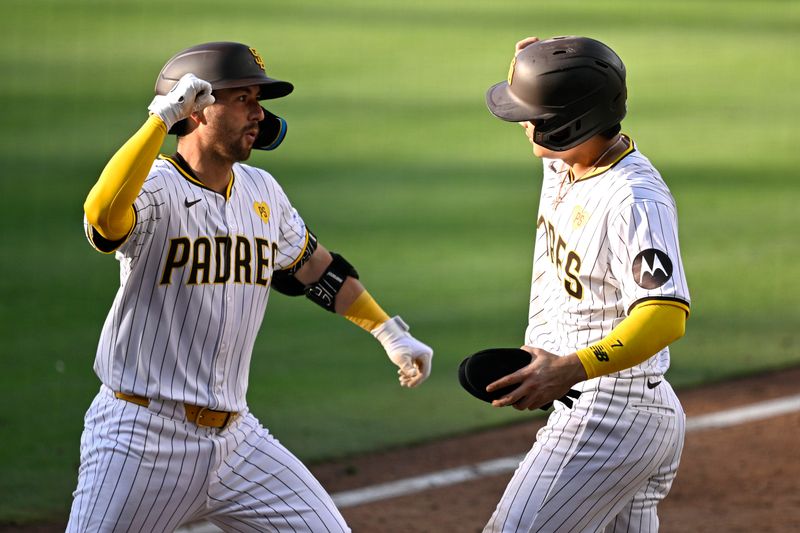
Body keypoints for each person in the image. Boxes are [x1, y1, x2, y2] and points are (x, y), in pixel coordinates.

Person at [68, 41, 433, 532]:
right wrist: (158, 121)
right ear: (194, 109)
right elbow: (101, 219)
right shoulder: (155, 188)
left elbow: (317, 271)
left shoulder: (263, 192)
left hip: (237, 443)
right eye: (242, 99)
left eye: (258, 100)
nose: (258, 113)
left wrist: (389, 332)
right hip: (140, 438)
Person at [482, 35, 690, 532]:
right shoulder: (567, 163)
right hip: (629, 409)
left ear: (568, 123)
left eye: (532, 115)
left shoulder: (634, 200)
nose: (523, 123)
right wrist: (525, 68)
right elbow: (554, 116)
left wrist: (571, 368)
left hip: (608, 413)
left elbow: (664, 314)